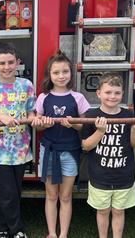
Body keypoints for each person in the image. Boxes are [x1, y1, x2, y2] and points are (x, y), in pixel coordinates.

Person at [0, 43, 41, 238]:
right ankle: (17, 230)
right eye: (2, 63)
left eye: (11, 62)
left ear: (18, 63)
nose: (7, 67)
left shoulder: (26, 85)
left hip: (21, 149)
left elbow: (30, 112)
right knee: (7, 193)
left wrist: (34, 118)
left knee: (13, 193)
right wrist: (0, 117)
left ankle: (1, 229)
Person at [81, 73, 135, 238]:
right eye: (108, 92)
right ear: (98, 93)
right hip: (100, 175)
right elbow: (86, 146)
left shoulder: (128, 115)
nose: (112, 96)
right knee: (103, 211)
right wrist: (100, 131)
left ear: (123, 94)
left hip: (124, 174)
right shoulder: (91, 115)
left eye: (117, 93)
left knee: (119, 211)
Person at [34, 51, 91, 238]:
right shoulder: (43, 97)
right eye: (56, 72)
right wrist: (43, 123)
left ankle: (63, 233)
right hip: (49, 151)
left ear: (70, 74)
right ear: (49, 75)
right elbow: (37, 122)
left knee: (66, 196)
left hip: (70, 152)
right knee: (51, 195)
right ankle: (51, 233)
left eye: (65, 71)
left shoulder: (78, 98)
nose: (61, 76)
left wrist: (74, 124)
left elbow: (84, 125)